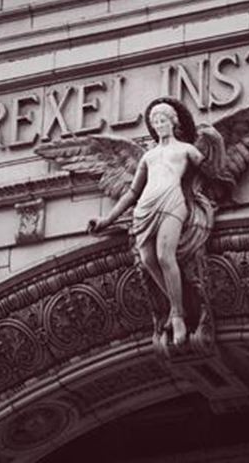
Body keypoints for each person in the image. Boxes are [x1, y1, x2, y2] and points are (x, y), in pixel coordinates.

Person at [89, 99, 204, 346]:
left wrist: (214, 143)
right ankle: (177, 307)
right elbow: (132, 192)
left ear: (173, 122)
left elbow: (210, 168)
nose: (159, 125)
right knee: (148, 260)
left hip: (172, 202)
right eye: (154, 122)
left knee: (165, 256)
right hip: (145, 208)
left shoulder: (186, 150)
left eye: (162, 120)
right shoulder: (149, 157)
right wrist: (107, 219)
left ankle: (179, 317)